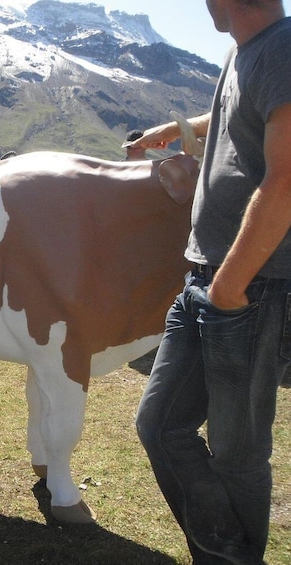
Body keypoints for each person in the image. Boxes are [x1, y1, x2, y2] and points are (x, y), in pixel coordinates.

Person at [133, 2, 291, 563]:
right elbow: (233, 115)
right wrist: (176, 131)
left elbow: (286, 181)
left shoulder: (285, 48)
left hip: (250, 288)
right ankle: (225, 552)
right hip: (205, 280)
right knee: (159, 426)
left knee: (237, 454)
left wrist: (230, 288)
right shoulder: (247, 52)